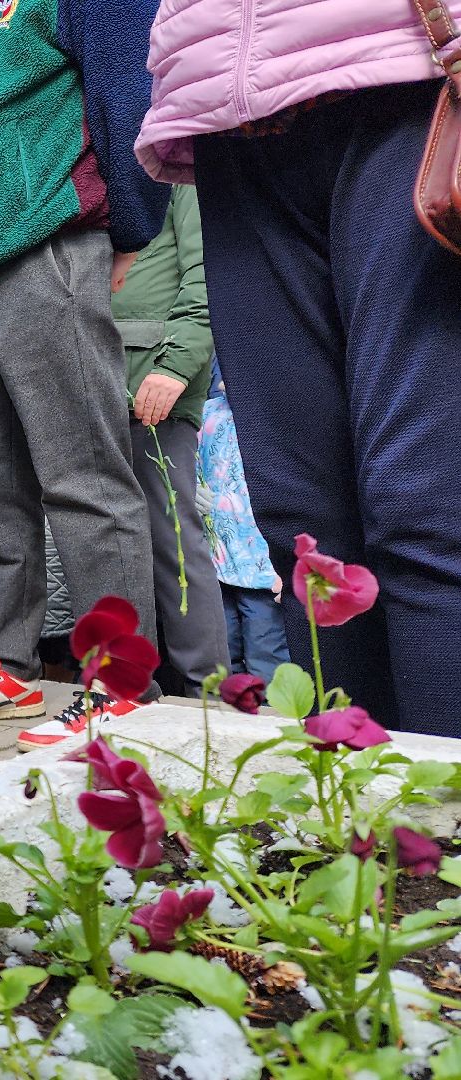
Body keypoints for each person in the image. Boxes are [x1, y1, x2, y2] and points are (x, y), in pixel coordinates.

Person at [136, 1, 461, 733]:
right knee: (305, 532)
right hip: (225, 103)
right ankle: (354, 828)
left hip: (409, 75)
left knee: (425, 511)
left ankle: (438, 836)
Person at [0, 0, 169, 749]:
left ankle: (120, 684)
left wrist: (131, 226)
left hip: (43, 240)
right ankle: (7, 666)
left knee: (83, 472)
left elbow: (129, 84)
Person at [112, 184, 230, 697]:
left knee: (172, 537)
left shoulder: (177, 168)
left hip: (154, 380)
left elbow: (209, 272)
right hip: (97, 377)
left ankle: (207, 692)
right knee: (112, 539)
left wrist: (176, 364)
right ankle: (131, 681)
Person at [197, 356, 291, 683]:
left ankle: (271, 726)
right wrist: (190, 490)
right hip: (215, 560)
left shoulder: (277, 418)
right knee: (223, 656)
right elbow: (185, 462)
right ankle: (232, 723)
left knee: (267, 655)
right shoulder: (207, 415)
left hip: (263, 567)